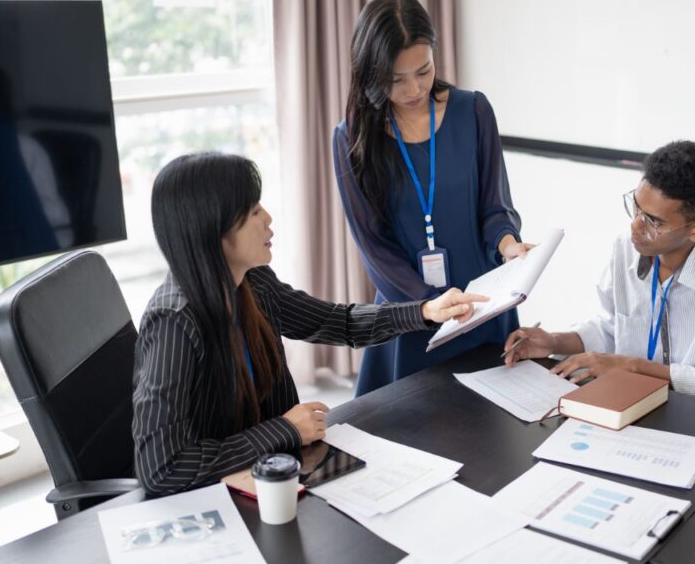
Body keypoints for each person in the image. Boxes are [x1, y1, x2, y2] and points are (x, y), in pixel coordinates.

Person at [132, 152, 485, 495]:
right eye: (253, 211)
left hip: (273, 478)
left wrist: (425, 311)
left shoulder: (252, 282)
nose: (268, 219)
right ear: (213, 229)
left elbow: (338, 322)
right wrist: (283, 430)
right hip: (216, 504)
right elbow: (162, 468)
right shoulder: (174, 323)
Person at [332, 0, 532, 396]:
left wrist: (508, 244)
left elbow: (494, 206)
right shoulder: (352, 138)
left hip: (481, 303)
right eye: (395, 79)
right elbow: (375, 248)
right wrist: (427, 304)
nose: (413, 89)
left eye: (423, 71)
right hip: (411, 314)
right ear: (371, 73)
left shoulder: (473, 110)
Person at [503, 140, 695, 407]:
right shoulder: (625, 246)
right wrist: (554, 342)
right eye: (637, 207)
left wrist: (633, 367)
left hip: (693, 416)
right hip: (625, 401)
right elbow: (612, 327)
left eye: (654, 222)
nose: (635, 226)